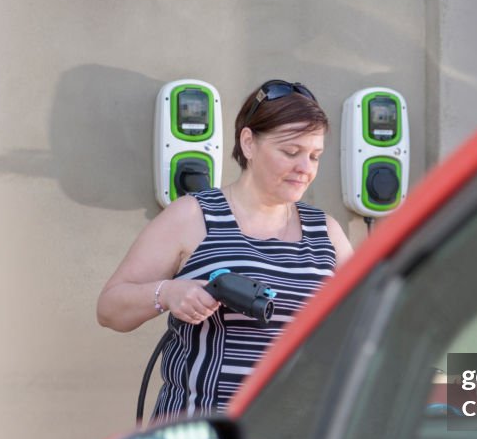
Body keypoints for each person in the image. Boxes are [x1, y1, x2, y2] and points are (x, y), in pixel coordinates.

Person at [97, 79, 353, 421]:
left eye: (314, 156)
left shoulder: (327, 233)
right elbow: (110, 309)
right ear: (248, 143)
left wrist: (452, 414)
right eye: (291, 152)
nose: (305, 168)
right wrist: (167, 293)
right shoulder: (193, 215)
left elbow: (387, 323)